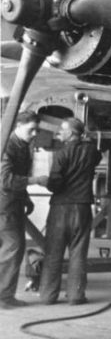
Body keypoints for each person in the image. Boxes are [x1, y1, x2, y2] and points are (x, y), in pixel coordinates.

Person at [39, 117, 102, 305]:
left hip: (60, 209)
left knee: (53, 253)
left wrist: (45, 182)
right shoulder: (92, 152)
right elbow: (98, 155)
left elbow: (55, 185)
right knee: (78, 253)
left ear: (72, 133)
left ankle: (48, 296)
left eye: (63, 129)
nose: (59, 132)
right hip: (82, 208)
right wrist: (87, 141)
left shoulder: (61, 154)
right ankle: (76, 296)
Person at [0, 111, 44, 310]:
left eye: (37, 129)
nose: (35, 133)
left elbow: (16, 175)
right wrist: (35, 181)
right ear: (17, 126)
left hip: (13, 203)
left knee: (10, 248)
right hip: (5, 205)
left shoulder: (22, 145)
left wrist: (26, 197)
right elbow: (5, 180)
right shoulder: (7, 146)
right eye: (31, 129)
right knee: (13, 248)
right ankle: (3, 297)